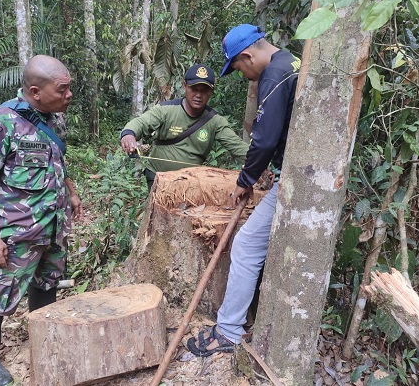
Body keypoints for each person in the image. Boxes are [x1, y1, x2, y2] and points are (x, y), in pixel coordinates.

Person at [187, 24, 301, 356]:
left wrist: (244, 180)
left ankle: (228, 331)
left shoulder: (273, 75)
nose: (242, 74)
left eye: (238, 66)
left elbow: (264, 139)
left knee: (247, 245)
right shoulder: (291, 62)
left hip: (295, 181)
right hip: (294, 173)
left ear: (247, 55)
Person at [0, 54, 82, 385]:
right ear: (35, 91)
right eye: (62, 90)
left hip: (53, 228)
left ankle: (43, 337)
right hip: (18, 231)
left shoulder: (52, 119)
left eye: (69, 88)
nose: (69, 95)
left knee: (46, 282)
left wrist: (71, 191)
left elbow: (57, 160)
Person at [120, 63, 249, 189]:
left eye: (204, 91)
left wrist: (258, 164)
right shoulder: (167, 110)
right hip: (158, 176)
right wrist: (128, 135)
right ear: (184, 86)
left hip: (190, 183)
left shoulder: (215, 121)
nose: (198, 95)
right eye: (194, 89)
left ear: (211, 92)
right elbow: (140, 122)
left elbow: (237, 147)